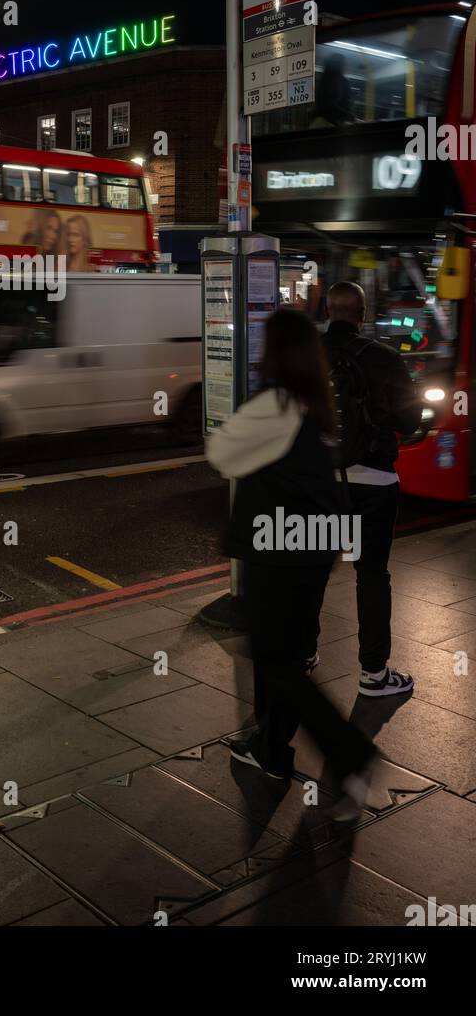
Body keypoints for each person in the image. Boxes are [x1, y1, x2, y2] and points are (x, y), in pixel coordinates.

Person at [206, 307, 376, 820]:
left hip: (277, 551)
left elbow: (222, 453)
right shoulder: (315, 402)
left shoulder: (275, 402)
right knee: (289, 657)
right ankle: (272, 752)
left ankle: (349, 756)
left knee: (278, 662)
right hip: (313, 549)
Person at [322, 280, 422, 697]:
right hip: (374, 485)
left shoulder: (305, 358)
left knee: (311, 575)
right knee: (372, 576)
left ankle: (304, 657)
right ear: (362, 314)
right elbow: (411, 421)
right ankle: (374, 675)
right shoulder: (384, 359)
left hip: (320, 486)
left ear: (328, 310)